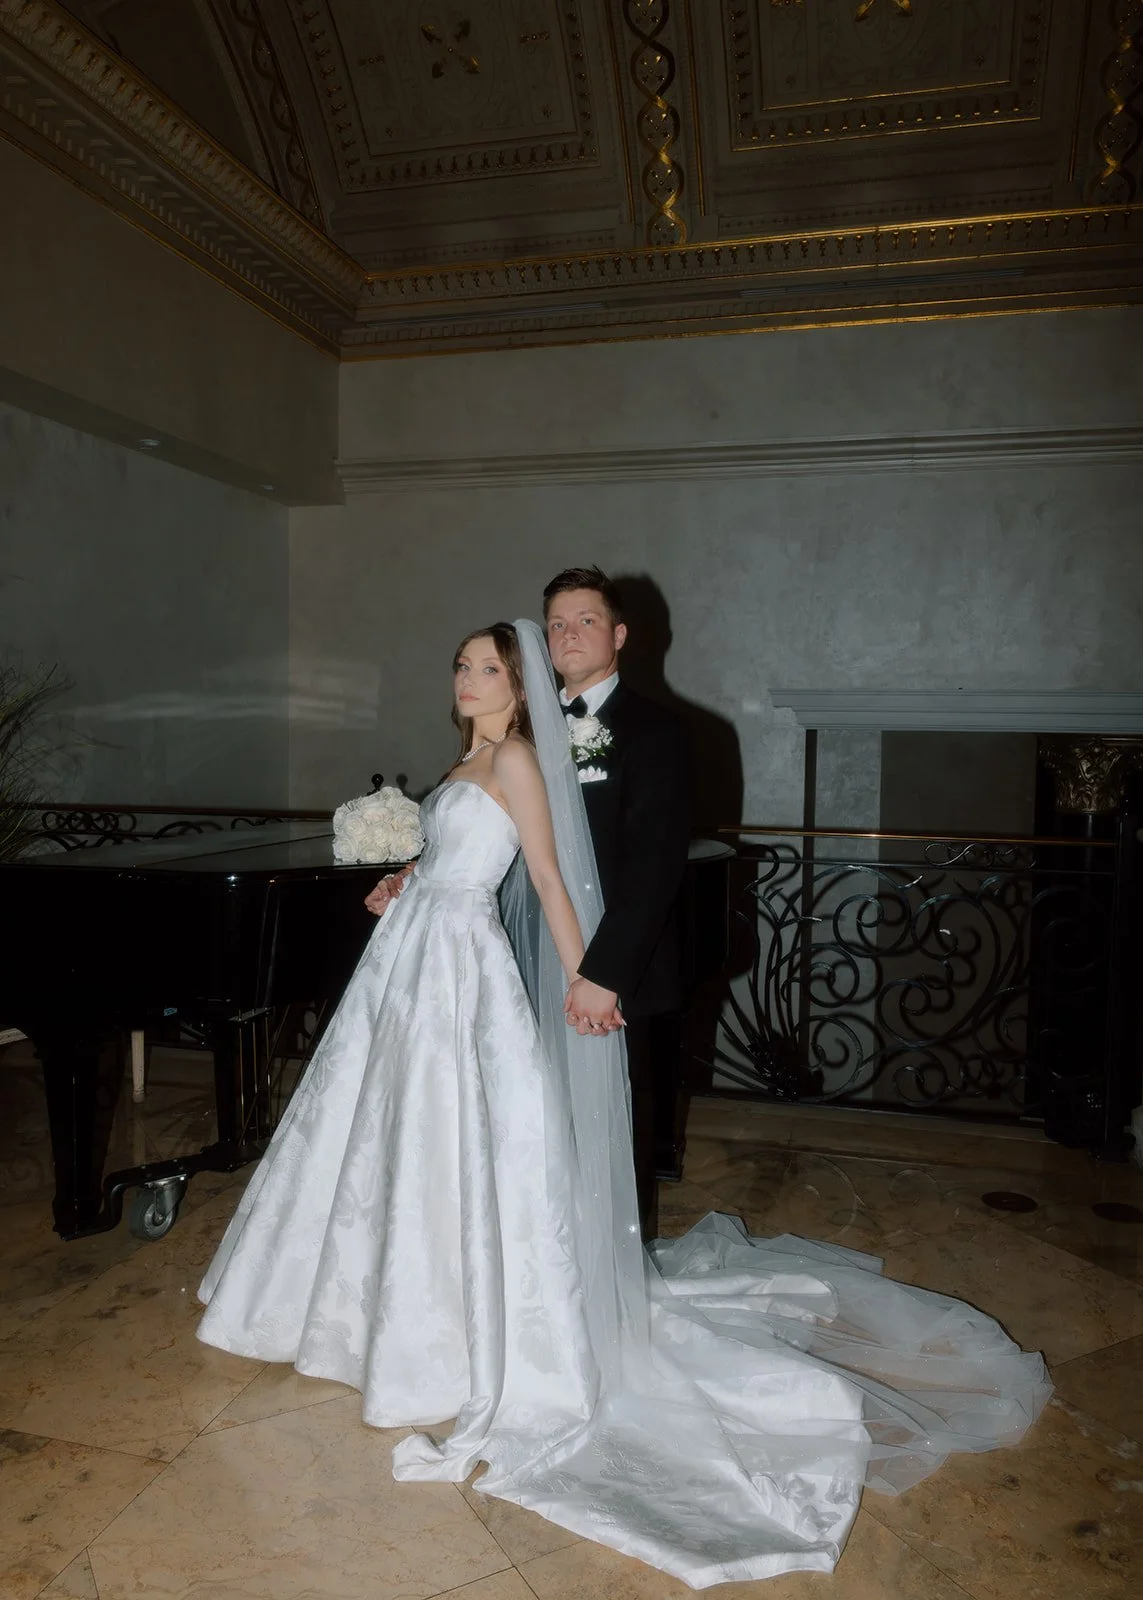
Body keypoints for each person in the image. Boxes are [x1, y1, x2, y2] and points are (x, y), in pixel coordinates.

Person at [199, 618, 1051, 1590]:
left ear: (518, 688)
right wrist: (407, 876)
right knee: (380, 1137)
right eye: (463, 666)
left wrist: (585, 980)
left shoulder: (519, 761)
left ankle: (443, 1330)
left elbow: (553, 880)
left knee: (453, 1142)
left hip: (459, 977)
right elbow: (460, 861)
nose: (468, 678)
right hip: (409, 963)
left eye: (488, 667)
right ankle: (352, 1309)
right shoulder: (458, 764)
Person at [366, 567, 689, 1238]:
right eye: (558, 625)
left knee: (609, 1120)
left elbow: (653, 867)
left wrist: (602, 973)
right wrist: (415, 870)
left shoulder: (653, 730)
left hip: (603, 959)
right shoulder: (518, 731)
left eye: (587, 621)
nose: (570, 634)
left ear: (620, 635)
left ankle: (610, 1278)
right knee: (526, 1118)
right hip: (505, 955)